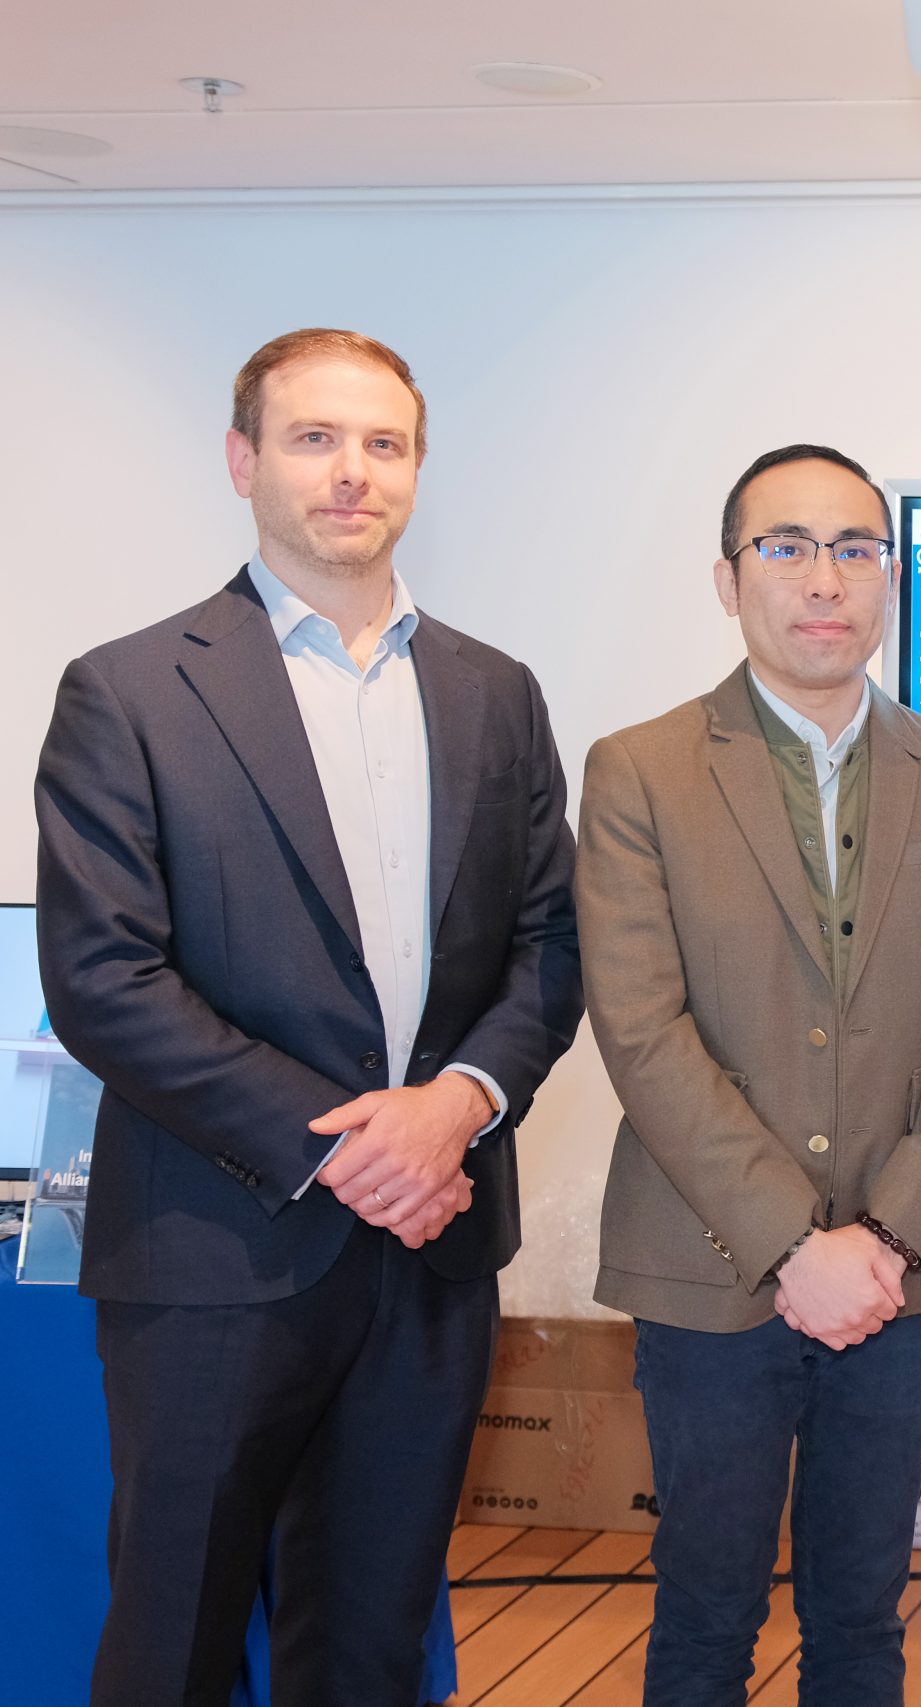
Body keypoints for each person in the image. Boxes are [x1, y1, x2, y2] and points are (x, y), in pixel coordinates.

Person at [33, 328, 583, 1705]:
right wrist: (346, 1146)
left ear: (417, 471)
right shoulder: (129, 690)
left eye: (384, 444)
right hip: (212, 1254)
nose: (352, 472)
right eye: (314, 438)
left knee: (372, 1650)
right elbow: (104, 976)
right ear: (244, 461)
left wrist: (454, 1108)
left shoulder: (495, 692)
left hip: (431, 1251)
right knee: (174, 1644)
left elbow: (550, 946)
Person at [577, 443, 921, 1704]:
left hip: (904, 1273)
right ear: (730, 581)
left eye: (854, 548)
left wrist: (885, 1236)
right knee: (704, 1616)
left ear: (889, 577)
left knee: (862, 1619)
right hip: (709, 1266)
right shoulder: (640, 770)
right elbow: (642, 1030)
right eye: (785, 547)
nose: (824, 579)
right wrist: (795, 1244)